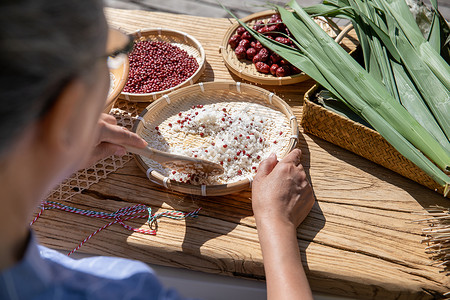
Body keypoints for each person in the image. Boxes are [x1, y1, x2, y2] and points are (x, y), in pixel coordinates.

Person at [0, 0, 315, 299]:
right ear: (66, 110)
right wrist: (277, 223)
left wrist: (51, 156)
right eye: (108, 55)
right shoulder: (123, 290)